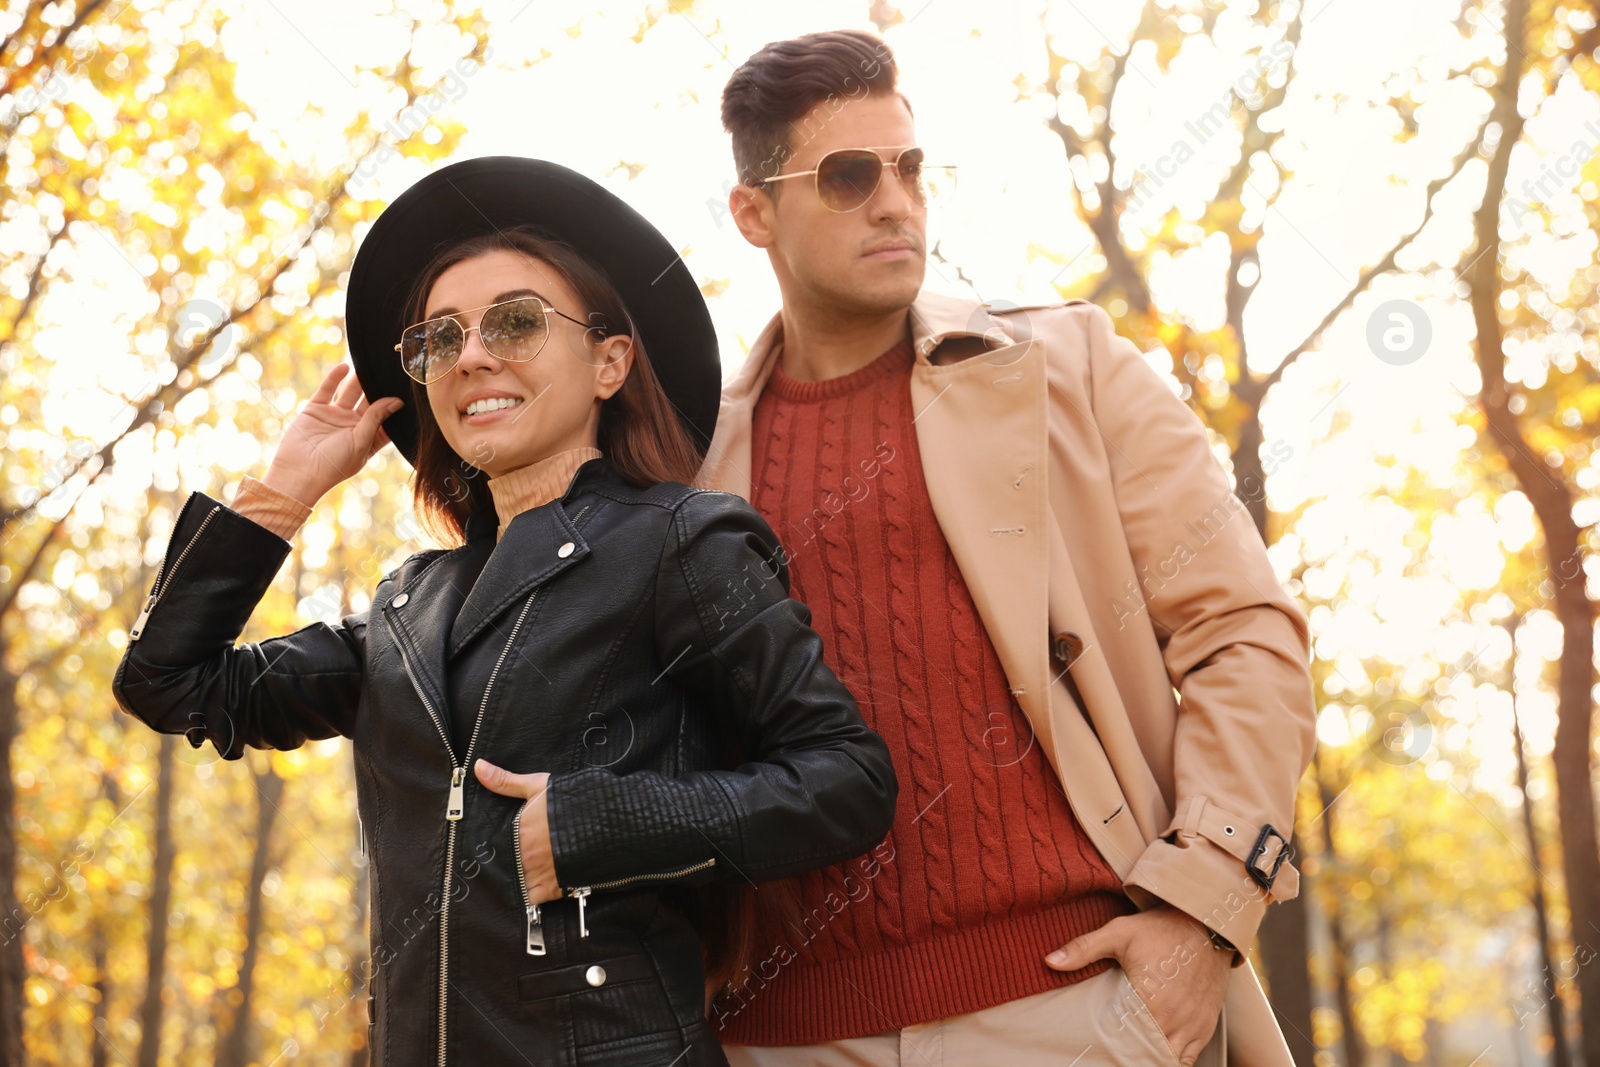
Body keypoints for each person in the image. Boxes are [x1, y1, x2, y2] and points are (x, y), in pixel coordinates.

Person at [111, 155, 898, 1067]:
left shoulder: (683, 542)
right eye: (438, 340)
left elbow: (847, 782)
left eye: (516, 322)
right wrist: (284, 493)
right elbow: (169, 682)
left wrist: (598, 822)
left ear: (610, 361)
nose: (473, 354)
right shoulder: (410, 606)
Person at [698, 30, 1317, 1067]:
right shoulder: (692, 458)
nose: (895, 201)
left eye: (908, 168)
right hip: (779, 1036)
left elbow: (1241, 631)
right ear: (753, 212)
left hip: (1075, 1004)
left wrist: (1201, 907)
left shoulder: (1066, 365)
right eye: (848, 177)